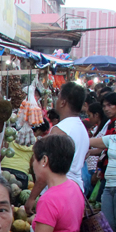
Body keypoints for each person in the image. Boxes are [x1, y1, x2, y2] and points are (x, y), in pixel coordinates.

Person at [25, 82, 90, 214]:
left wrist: (32, 198)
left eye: (59, 96)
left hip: (58, 192)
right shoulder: (82, 128)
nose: (57, 99)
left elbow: (48, 168)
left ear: (63, 102)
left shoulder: (60, 130)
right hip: (76, 191)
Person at [1, 121, 49, 188]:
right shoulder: (35, 143)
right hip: (22, 173)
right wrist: (35, 182)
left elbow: (3, 151)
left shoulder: (12, 135)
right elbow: (33, 164)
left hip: (4, 168)